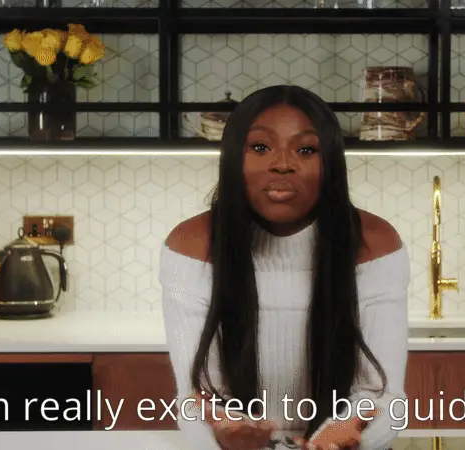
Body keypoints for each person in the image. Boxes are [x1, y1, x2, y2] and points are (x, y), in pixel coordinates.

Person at [159, 85, 410, 450]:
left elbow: (387, 399)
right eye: (260, 147)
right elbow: (194, 400)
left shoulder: (376, 242)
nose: (283, 163)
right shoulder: (191, 245)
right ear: (233, 158)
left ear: (330, 164)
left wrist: (344, 438)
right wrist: (225, 439)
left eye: (306, 149)